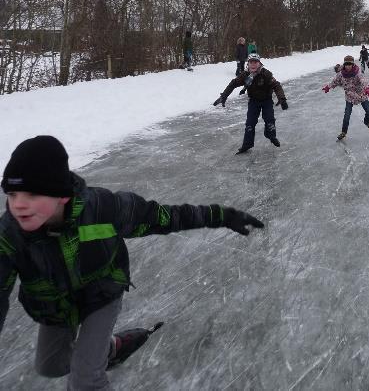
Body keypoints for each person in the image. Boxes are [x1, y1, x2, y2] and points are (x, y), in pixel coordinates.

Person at [0, 136, 264, 390]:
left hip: (101, 295)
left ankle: (97, 353)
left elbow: (165, 217)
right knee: (51, 367)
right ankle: (110, 349)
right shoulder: (9, 234)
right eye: (12, 195)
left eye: (32, 195)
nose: (19, 205)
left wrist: (223, 216)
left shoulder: (104, 208)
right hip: (55, 307)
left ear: (62, 195)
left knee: (84, 380)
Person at [213, 53, 288, 153]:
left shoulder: (266, 74)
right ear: (247, 64)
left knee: (269, 120)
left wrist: (282, 98)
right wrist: (224, 96)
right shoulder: (245, 75)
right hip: (253, 101)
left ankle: (271, 135)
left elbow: (276, 86)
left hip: (266, 101)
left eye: (255, 62)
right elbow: (233, 84)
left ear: (259, 63)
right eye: (251, 62)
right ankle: (247, 144)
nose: (253, 64)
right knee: (250, 123)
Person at [322, 55, 369, 140]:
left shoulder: (357, 73)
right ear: (344, 64)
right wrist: (328, 87)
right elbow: (335, 81)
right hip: (350, 96)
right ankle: (343, 132)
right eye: (346, 64)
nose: (348, 66)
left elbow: (363, 80)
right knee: (347, 115)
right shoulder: (341, 74)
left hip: (361, 94)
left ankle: (367, 122)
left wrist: (367, 88)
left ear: (353, 64)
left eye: (350, 64)